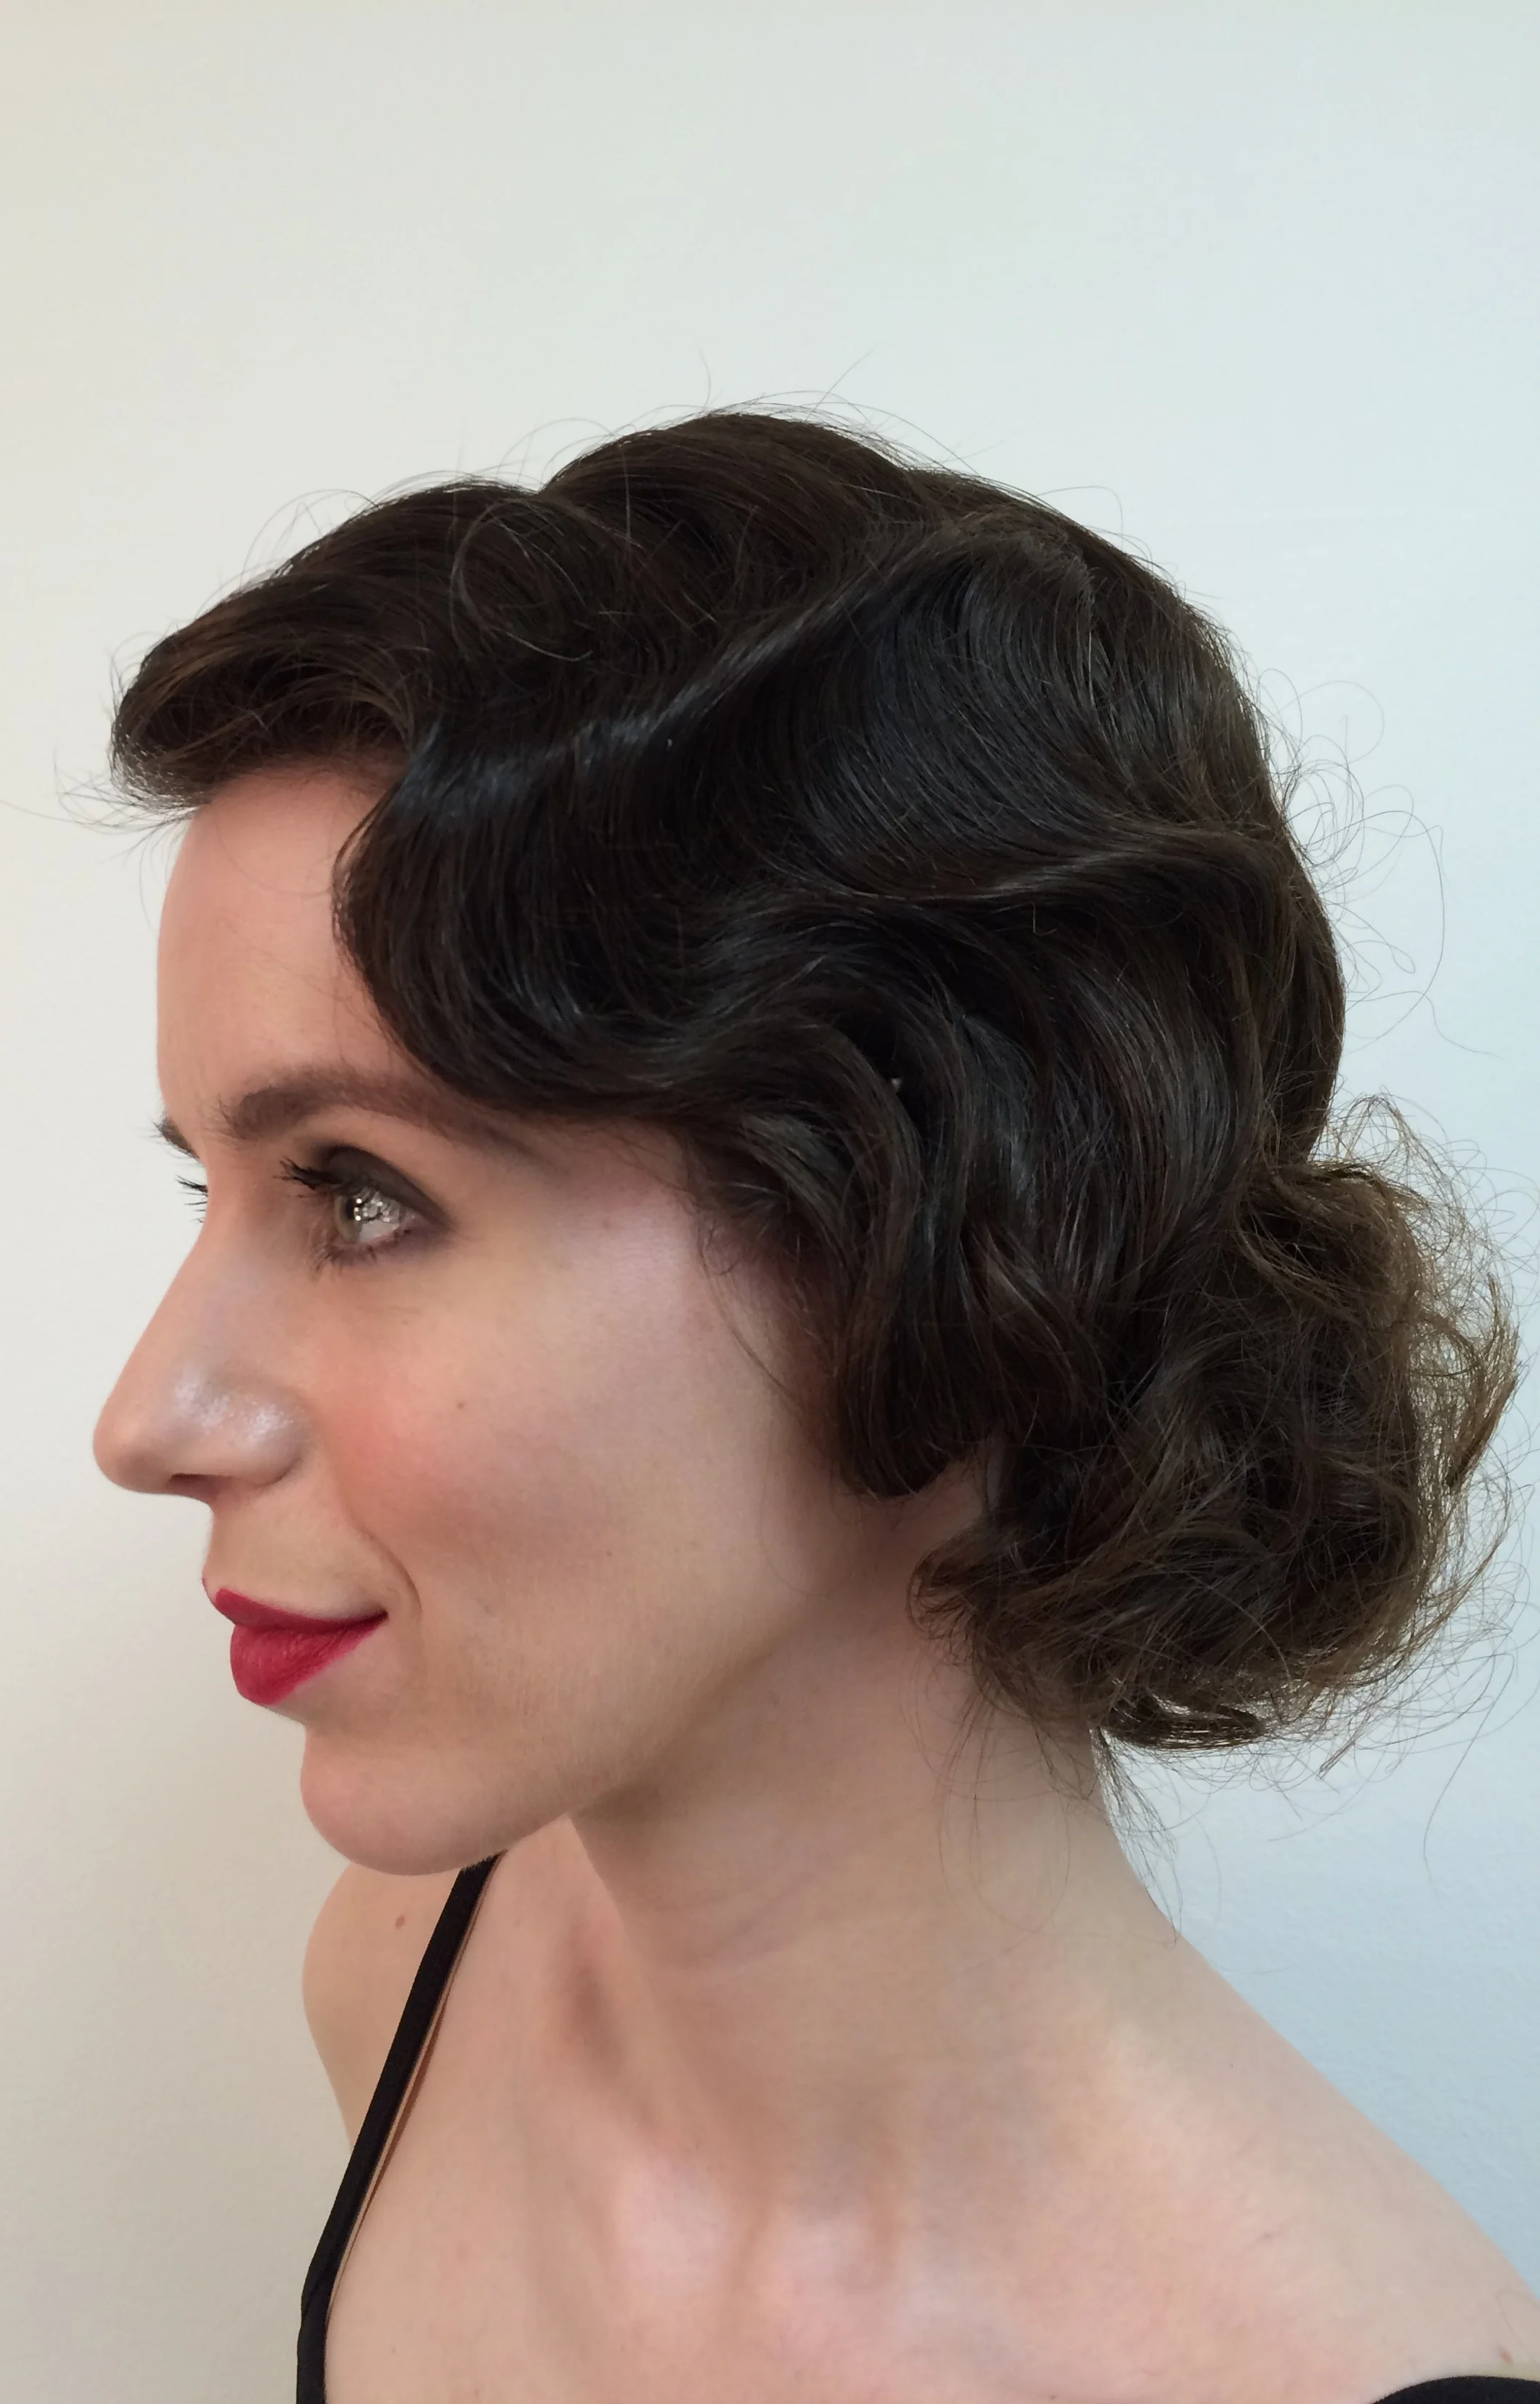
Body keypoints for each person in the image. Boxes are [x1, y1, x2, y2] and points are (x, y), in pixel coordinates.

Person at [92, 410, 1540, 2404]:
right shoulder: (403, 1977)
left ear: (948, 1220)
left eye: (358, 1193)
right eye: (212, 1184)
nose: (149, 1414)